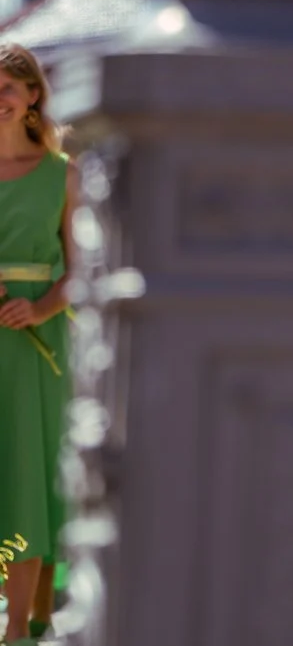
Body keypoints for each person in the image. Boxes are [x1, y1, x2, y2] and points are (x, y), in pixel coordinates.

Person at [0, 44, 75, 646]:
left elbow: (84, 269)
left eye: (7, 87)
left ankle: (20, 625)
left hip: (37, 345)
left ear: (30, 98)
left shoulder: (64, 175)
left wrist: (40, 306)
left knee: (28, 476)